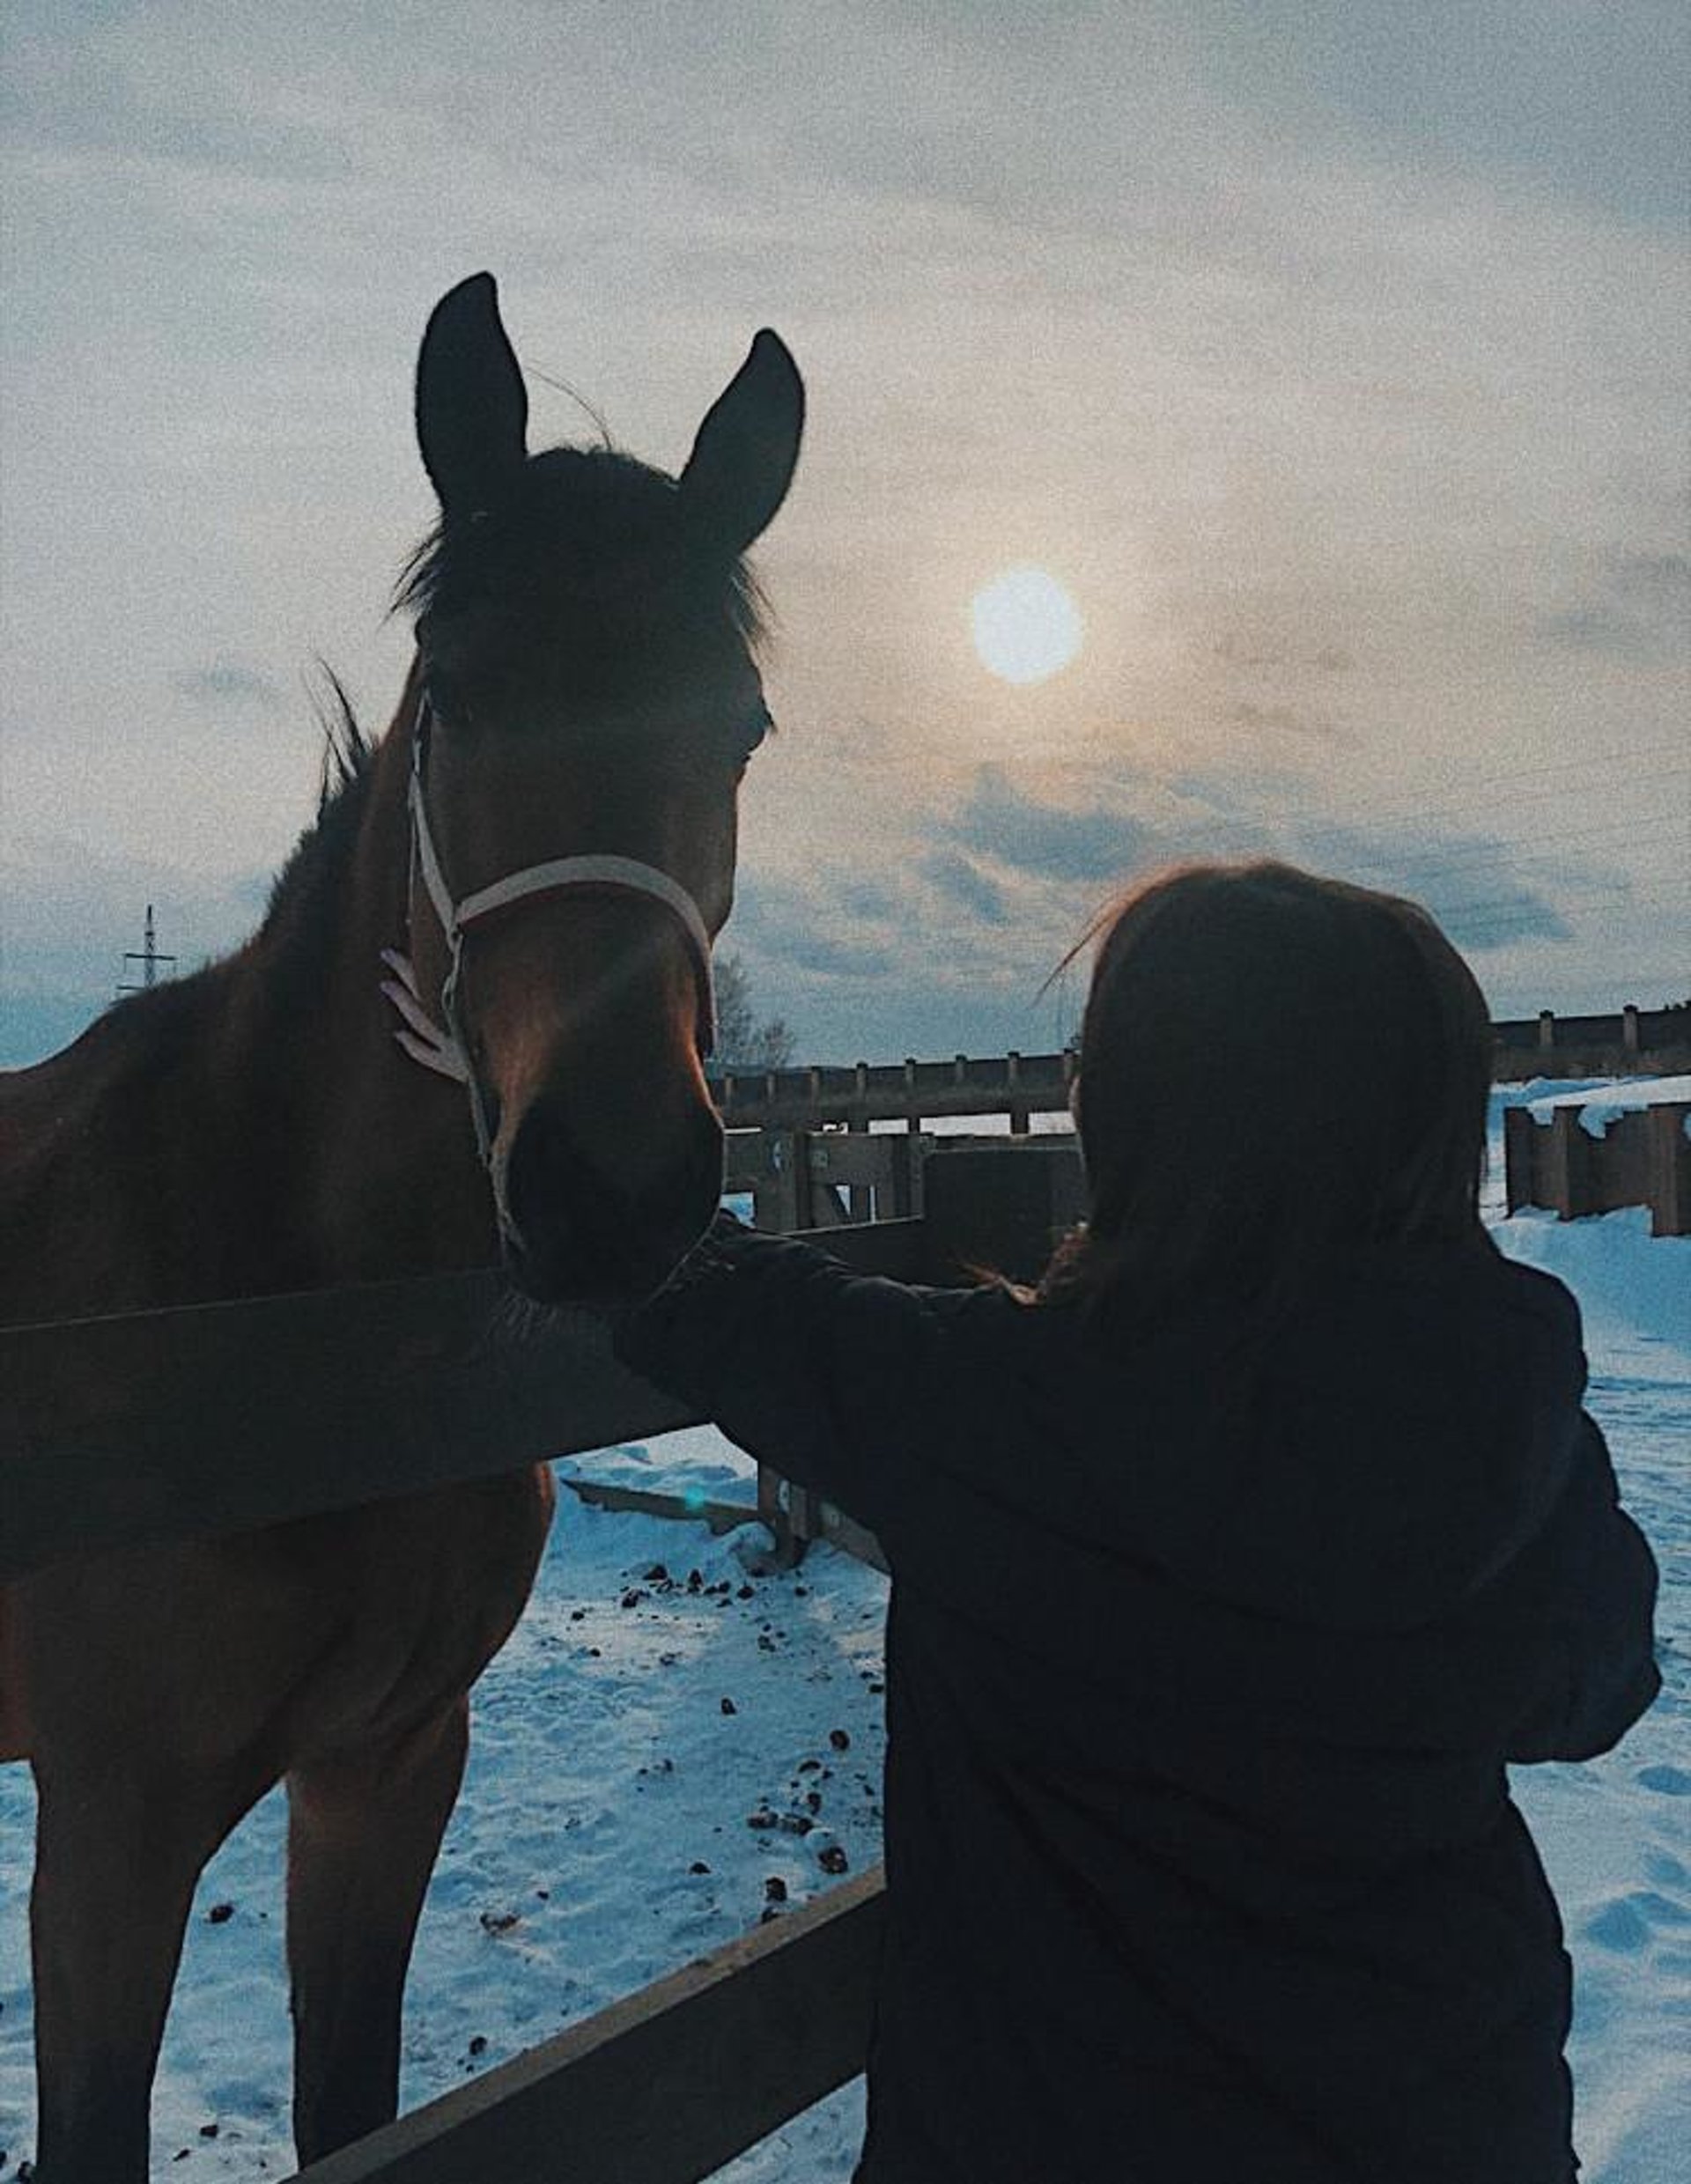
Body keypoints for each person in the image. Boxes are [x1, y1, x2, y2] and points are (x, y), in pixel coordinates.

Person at [611, 860, 1660, 2183]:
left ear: (1127, 1117)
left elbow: (672, 1275)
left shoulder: (981, 1408)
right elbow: (1600, 1684)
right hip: (1450, 2124)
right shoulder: (1499, 1414)